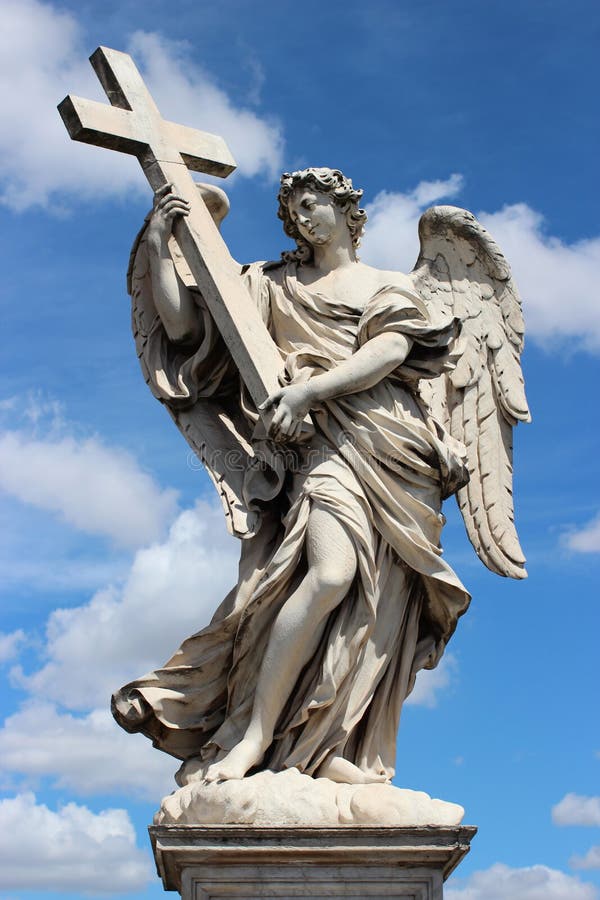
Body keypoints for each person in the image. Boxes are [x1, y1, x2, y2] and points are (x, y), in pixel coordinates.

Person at [112, 167, 471, 786]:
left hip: (396, 445)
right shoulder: (271, 287)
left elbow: (390, 352)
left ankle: (328, 741)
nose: (302, 218)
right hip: (322, 448)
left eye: (313, 205)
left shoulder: (389, 284)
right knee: (332, 573)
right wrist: (159, 243)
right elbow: (183, 331)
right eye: (293, 211)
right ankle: (255, 736)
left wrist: (310, 389)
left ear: (346, 208)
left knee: (377, 602)